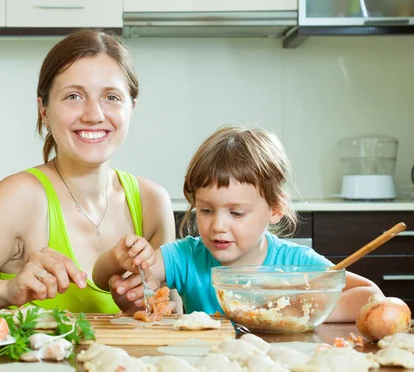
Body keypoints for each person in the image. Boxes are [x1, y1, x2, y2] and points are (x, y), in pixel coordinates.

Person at [0, 28, 181, 313]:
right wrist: (5, 290)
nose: (94, 115)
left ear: (131, 108)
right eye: (74, 96)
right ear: (44, 110)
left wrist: (142, 303)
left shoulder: (152, 202)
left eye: (111, 97)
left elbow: (170, 313)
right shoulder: (19, 197)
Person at [93, 125, 383, 321]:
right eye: (206, 211)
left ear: (275, 208)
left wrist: (302, 307)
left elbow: (371, 296)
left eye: (236, 213)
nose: (218, 226)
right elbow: (123, 275)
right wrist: (126, 267)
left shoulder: (295, 263)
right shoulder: (185, 257)